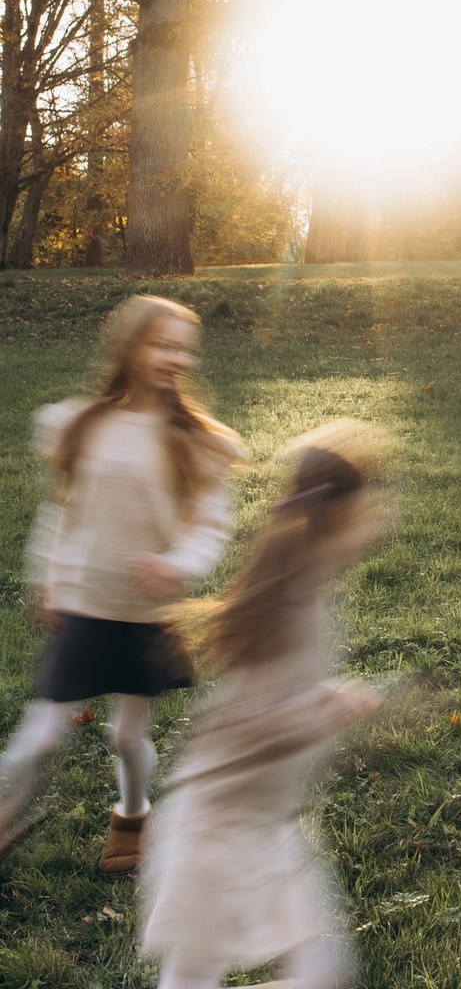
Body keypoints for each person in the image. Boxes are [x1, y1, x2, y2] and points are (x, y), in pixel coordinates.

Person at [0, 295, 246, 872]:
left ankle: (132, 817)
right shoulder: (84, 424)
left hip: (145, 614)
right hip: (86, 606)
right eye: (161, 345)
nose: (174, 358)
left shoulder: (195, 441)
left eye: (183, 349)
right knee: (39, 734)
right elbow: (63, 511)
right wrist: (49, 576)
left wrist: (178, 565)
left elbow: (211, 526)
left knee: (126, 737)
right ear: (129, 348)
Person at [140, 422, 385, 989]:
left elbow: (267, 699)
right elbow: (253, 720)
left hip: (265, 827)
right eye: (369, 506)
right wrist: (324, 711)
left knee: (326, 970)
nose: (375, 518)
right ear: (343, 516)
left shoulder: (300, 589)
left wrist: (325, 697)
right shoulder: (295, 606)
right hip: (217, 833)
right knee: (191, 979)